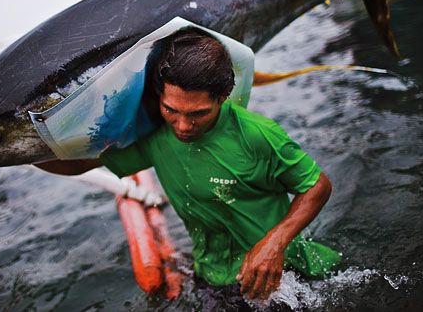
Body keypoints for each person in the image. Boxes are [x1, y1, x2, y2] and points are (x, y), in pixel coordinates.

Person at [34, 27, 341, 300]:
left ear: (223, 98)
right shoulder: (155, 137)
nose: (181, 126)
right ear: (159, 97)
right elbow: (80, 164)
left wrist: (274, 243)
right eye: (171, 110)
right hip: (213, 277)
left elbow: (317, 185)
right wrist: (24, 154)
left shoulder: (257, 136)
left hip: (285, 277)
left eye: (198, 114)